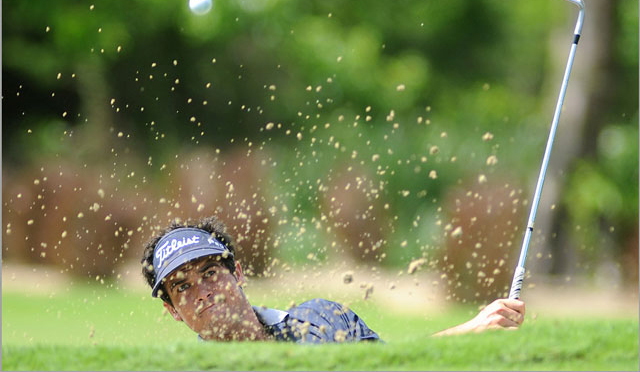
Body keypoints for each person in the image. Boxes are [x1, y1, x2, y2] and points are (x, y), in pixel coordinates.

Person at [141, 216, 525, 343]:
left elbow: (393, 366)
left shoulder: (320, 321)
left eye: (210, 273)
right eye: (182, 286)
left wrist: (474, 329)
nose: (203, 291)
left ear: (237, 273)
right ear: (172, 311)